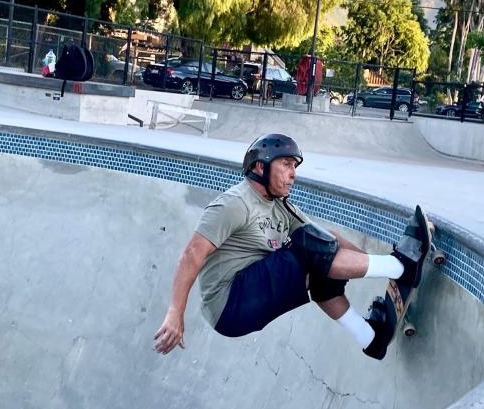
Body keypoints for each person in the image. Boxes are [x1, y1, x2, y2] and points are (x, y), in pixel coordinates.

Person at [153, 133, 426, 360]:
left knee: (320, 243)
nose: (293, 174)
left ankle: (370, 339)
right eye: (285, 164)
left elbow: (325, 241)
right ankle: (403, 265)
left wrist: (369, 263)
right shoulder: (235, 203)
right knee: (307, 250)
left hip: (248, 298)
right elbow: (191, 255)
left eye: (294, 166)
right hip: (229, 302)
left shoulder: (281, 207)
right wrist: (175, 314)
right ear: (261, 167)